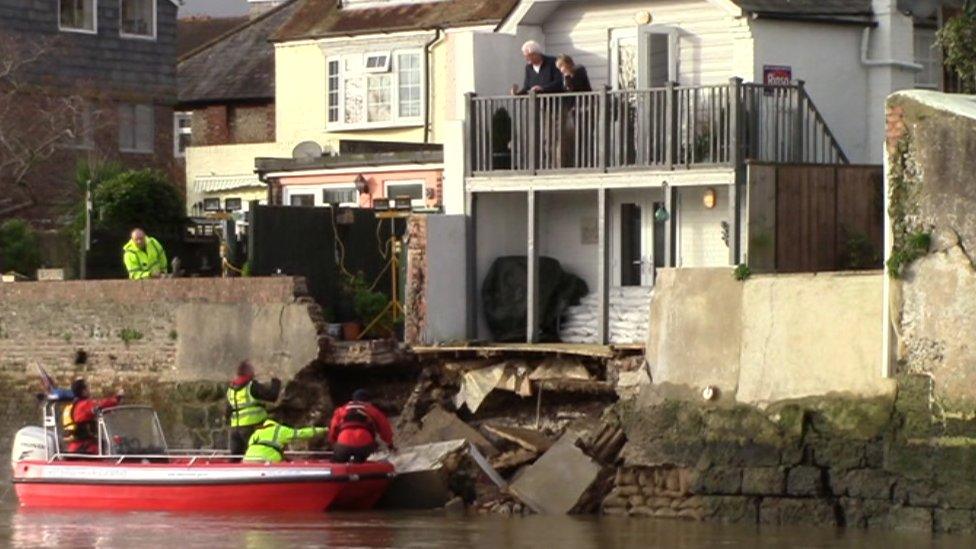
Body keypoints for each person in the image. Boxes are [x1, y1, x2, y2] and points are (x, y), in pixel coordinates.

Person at [226, 360, 281, 458]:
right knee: (255, 456)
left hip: (235, 430)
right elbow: (272, 396)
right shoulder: (252, 386)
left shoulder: (231, 389)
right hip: (251, 428)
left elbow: (227, 411)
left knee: (236, 458)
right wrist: (275, 380)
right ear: (249, 372)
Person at [328, 389, 395, 464]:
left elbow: (333, 428)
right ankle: (360, 463)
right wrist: (390, 444)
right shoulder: (372, 410)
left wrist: (334, 444)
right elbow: (385, 428)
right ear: (368, 401)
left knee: (337, 461)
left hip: (343, 443)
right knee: (361, 457)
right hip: (364, 445)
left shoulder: (341, 410)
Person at [62, 378, 123, 455]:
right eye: (88, 388)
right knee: (109, 446)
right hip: (86, 447)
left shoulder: (75, 405)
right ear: (83, 391)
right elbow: (102, 404)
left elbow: (93, 412)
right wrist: (117, 398)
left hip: (75, 446)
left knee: (107, 442)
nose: (89, 390)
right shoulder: (85, 405)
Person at [243, 418, 328, 463]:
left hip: (247, 460)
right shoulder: (281, 430)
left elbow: (251, 445)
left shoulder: (257, 432)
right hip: (266, 461)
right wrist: (323, 430)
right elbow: (301, 433)